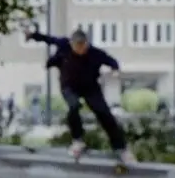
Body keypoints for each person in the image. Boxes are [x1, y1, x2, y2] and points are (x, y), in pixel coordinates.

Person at [27, 27, 129, 162]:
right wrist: (32, 35)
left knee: (104, 113)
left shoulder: (95, 53)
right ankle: (78, 140)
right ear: (72, 44)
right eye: (77, 47)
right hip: (69, 87)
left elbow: (112, 61)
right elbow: (48, 39)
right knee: (74, 106)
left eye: (83, 46)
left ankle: (120, 148)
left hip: (90, 88)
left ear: (87, 44)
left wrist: (115, 70)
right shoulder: (64, 44)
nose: (80, 50)